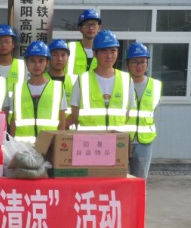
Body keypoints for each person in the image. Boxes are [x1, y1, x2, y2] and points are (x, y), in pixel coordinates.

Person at [68, 30, 132, 131]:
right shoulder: (82, 80)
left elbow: (128, 114)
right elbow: (75, 115)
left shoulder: (126, 79)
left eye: (113, 51)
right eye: (104, 51)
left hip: (116, 139)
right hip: (88, 139)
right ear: (94, 53)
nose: (109, 56)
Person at [10, 41, 67, 144]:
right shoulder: (18, 88)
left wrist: (58, 146)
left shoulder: (57, 87)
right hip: (23, 147)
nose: (37, 65)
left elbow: (62, 122)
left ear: (47, 63)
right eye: (32, 61)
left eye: (41, 61)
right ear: (27, 63)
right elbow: (13, 121)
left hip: (49, 146)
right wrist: (13, 145)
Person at [125, 42, 162, 181]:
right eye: (134, 62)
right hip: (122, 140)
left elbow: (153, 110)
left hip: (144, 142)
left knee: (140, 181)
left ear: (147, 64)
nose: (139, 66)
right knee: (118, 180)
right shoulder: (120, 83)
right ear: (127, 64)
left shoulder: (156, 85)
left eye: (142, 62)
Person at [0, 24, 26, 88]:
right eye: (0, 42)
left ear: (13, 44)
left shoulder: (22, 65)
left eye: (7, 41)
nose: (3, 45)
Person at [47, 39, 76, 115]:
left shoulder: (74, 81)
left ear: (68, 57)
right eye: (55, 55)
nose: (59, 59)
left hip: (70, 122)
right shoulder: (40, 80)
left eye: (63, 55)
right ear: (48, 58)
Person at [68, 9, 101, 75]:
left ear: (99, 27)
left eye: (94, 25)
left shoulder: (103, 51)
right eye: (86, 25)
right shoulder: (69, 48)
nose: (90, 28)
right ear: (80, 28)